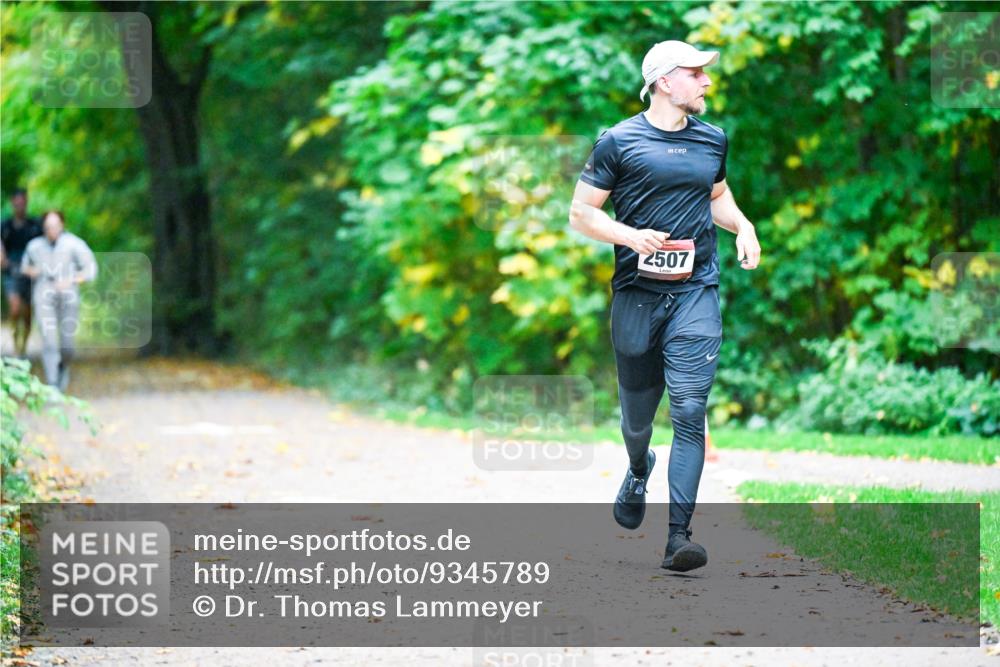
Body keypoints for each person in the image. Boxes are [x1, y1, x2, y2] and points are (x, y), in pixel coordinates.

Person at [568, 40, 760, 572]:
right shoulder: (618, 142)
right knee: (637, 420)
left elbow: (716, 196)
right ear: (664, 80)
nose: (707, 82)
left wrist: (743, 225)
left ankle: (679, 537)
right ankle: (637, 466)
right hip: (636, 295)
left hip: (696, 291)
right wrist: (631, 237)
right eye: (697, 73)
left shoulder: (712, 139)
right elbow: (581, 215)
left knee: (691, 411)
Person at [20, 211, 98, 391]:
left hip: (68, 294)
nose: (51, 230)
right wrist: (34, 271)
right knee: (48, 339)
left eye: (54, 226)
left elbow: (90, 270)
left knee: (67, 343)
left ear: (62, 225)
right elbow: (25, 267)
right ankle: (52, 382)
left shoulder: (75, 245)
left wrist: (72, 280)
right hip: (43, 293)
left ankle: (63, 366)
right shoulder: (34, 246)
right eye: (47, 226)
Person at [1, 188, 43, 357]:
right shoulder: (5, 225)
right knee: (15, 309)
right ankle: (15, 346)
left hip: (31, 274)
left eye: (22, 202)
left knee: (27, 314)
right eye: (16, 203)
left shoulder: (35, 225)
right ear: (12, 203)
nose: (19, 206)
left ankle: (23, 346)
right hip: (11, 271)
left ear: (26, 202)